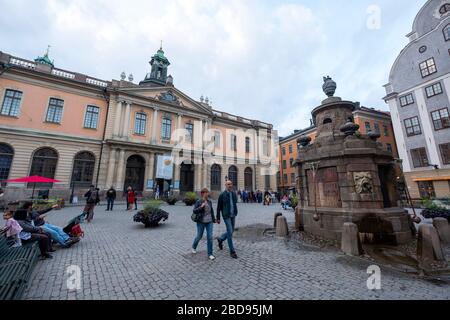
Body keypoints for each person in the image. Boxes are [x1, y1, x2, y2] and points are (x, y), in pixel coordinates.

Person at [191, 188, 216, 260]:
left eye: (208, 192)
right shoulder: (199, 201)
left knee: (210, 237)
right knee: (199, 236)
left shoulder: (209, 201)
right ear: (203, 193)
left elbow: (212, 211)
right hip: (201, 221)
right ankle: (194, 246)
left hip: (209, 222)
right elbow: (194, 211)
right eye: (207, 192)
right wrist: (201, 207)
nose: (208, 194)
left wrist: (214, 219)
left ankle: (210, 254)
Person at [216, 180, 238, 259]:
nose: (230, 185)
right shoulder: (222, 195)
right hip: (226, 216)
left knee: (231, 230)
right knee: (229, 232)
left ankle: (221, 238)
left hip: (233, 215)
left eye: (231, 184)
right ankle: (232, 251)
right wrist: (218, 218)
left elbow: (235, 203)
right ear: (225, 185)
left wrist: (235, 211)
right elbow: (218, 207)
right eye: (228, 184)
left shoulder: (233, 193)